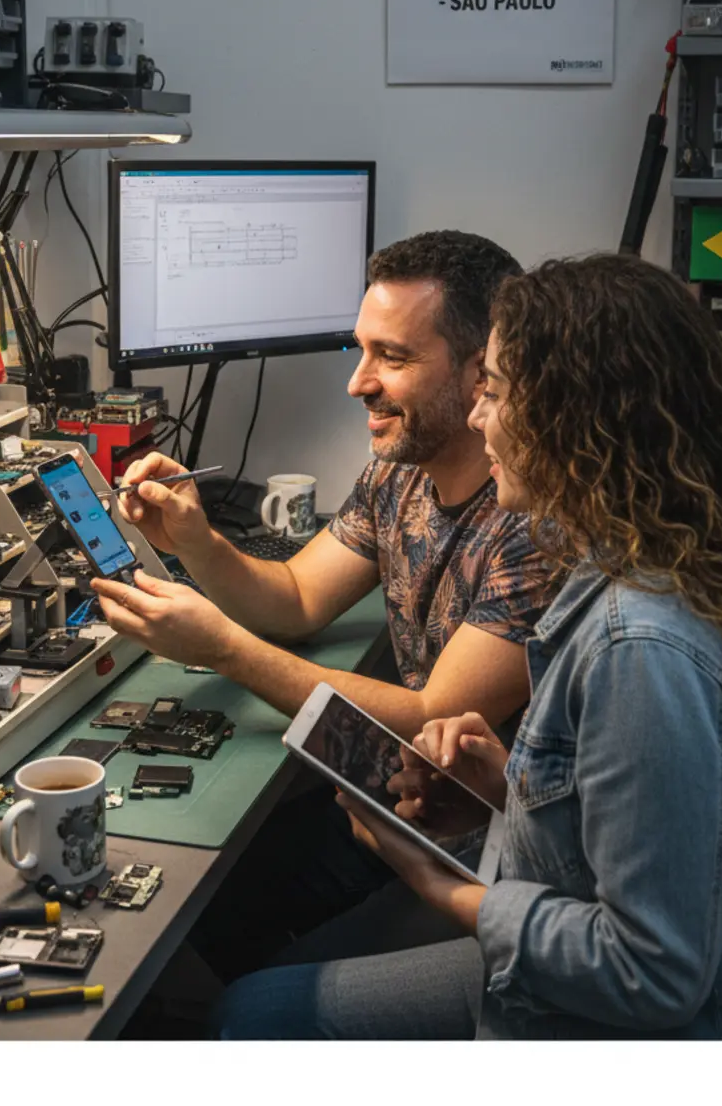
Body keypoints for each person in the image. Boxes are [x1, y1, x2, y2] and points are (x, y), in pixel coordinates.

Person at [214, 253, 722, 1039]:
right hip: (673, 982)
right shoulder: (658, 562)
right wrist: (511, 792)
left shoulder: (643, 646)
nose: (476, 416)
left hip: (688, 1033)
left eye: (494, 389)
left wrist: (433, 880)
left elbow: (650, 974)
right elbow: (649, 831)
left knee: (253, 1019)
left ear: (578, 418)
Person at [91, 231, 560, 979]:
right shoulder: (397, 472)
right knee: (203, 912)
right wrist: (198, 538)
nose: (360, 383)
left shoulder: (534, 524)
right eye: (361, 351)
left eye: (394, 358)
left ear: (480, 373)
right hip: (395, 804)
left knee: (240, 966)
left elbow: (431, 715)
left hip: (479, 848)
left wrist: (225, 650)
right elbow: (301, 597)